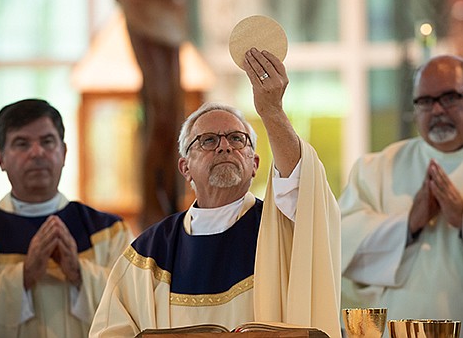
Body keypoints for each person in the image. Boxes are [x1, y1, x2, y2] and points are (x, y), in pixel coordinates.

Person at [89, 48, 342, 338]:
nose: (224, 147)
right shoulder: (148, 254)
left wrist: (271, 110)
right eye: (208, 140)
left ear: (254, 164)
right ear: (185, 168)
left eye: (237, 138)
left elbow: (306, 188)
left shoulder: (282, 229)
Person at [340, 55, 463, 338]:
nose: (436, 110)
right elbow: (341, 243)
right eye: (424, 101)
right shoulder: (379, 168)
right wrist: (408, 225)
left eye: (449, 98)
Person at [0, 99, 133, 337]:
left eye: (47, 142)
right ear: (1, 159)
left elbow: (135, 301)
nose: (37, 152)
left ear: (64, 152)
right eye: (22, 143)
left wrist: (79, 274)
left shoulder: (109, 230)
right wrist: (24, 275)